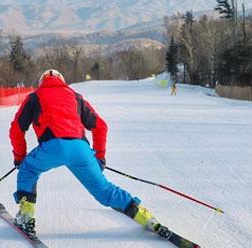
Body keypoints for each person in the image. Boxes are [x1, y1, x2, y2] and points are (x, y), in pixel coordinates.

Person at [9, 69, 160, 238]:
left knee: (28, 170)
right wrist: (100, 157)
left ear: (41, 82)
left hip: (51, 147)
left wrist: (20, 158)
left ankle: (26, 217)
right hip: (80, 150)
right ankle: (145, 217)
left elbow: (16, 129)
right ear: (63, 80)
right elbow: (100, 127)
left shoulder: (34, 96)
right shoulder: (75, 96)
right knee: (105, 191)